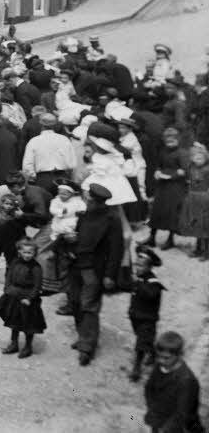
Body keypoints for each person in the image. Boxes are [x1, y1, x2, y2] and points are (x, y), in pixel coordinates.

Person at [63, 183, 123, 366]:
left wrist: (110, 275)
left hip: (93, 269)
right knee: (74, 302)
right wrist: (72, 239)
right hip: (76, 265)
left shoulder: (112, 219)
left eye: (89, 198)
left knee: (89, 306)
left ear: (97, 201)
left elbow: (116, 250)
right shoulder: (84, 214)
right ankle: (82, 336)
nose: (86, 200)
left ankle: (87, 347)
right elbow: (80, 236)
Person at [0, 239, 44, 358]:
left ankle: (28, 346)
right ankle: (14, 344)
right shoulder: (15, 263)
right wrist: (7, 289)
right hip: (14, 294)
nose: (27, 255)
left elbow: (37, 285)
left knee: (29, 323)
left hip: (27, 298)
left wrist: (30, 298)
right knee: (14, 321)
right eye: (25, 252)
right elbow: (9, 276)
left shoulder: (36, 267)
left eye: (30, 253)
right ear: (19, 252)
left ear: (34, 253)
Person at [143, 332, 203, 433]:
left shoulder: (186, 381)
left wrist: (166, 429)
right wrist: (152, 409)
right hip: (159, 417)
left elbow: (182, 413)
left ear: (179, 355)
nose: (161, 360)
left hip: (177, 425)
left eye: (166, 358)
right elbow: (149, 388)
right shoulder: (160, 366)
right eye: (158, 356)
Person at [129, 246, 165, 383]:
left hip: (147, 318)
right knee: (144, 338)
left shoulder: (153, 282)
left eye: (141, 266)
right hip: (136, 316)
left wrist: (138, 284)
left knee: (141, 342)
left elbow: (151, 294)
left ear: (149, 268)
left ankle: (136, 368)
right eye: (136, 265)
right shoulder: (138, 278)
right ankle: (153, 353)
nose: (137, 268)